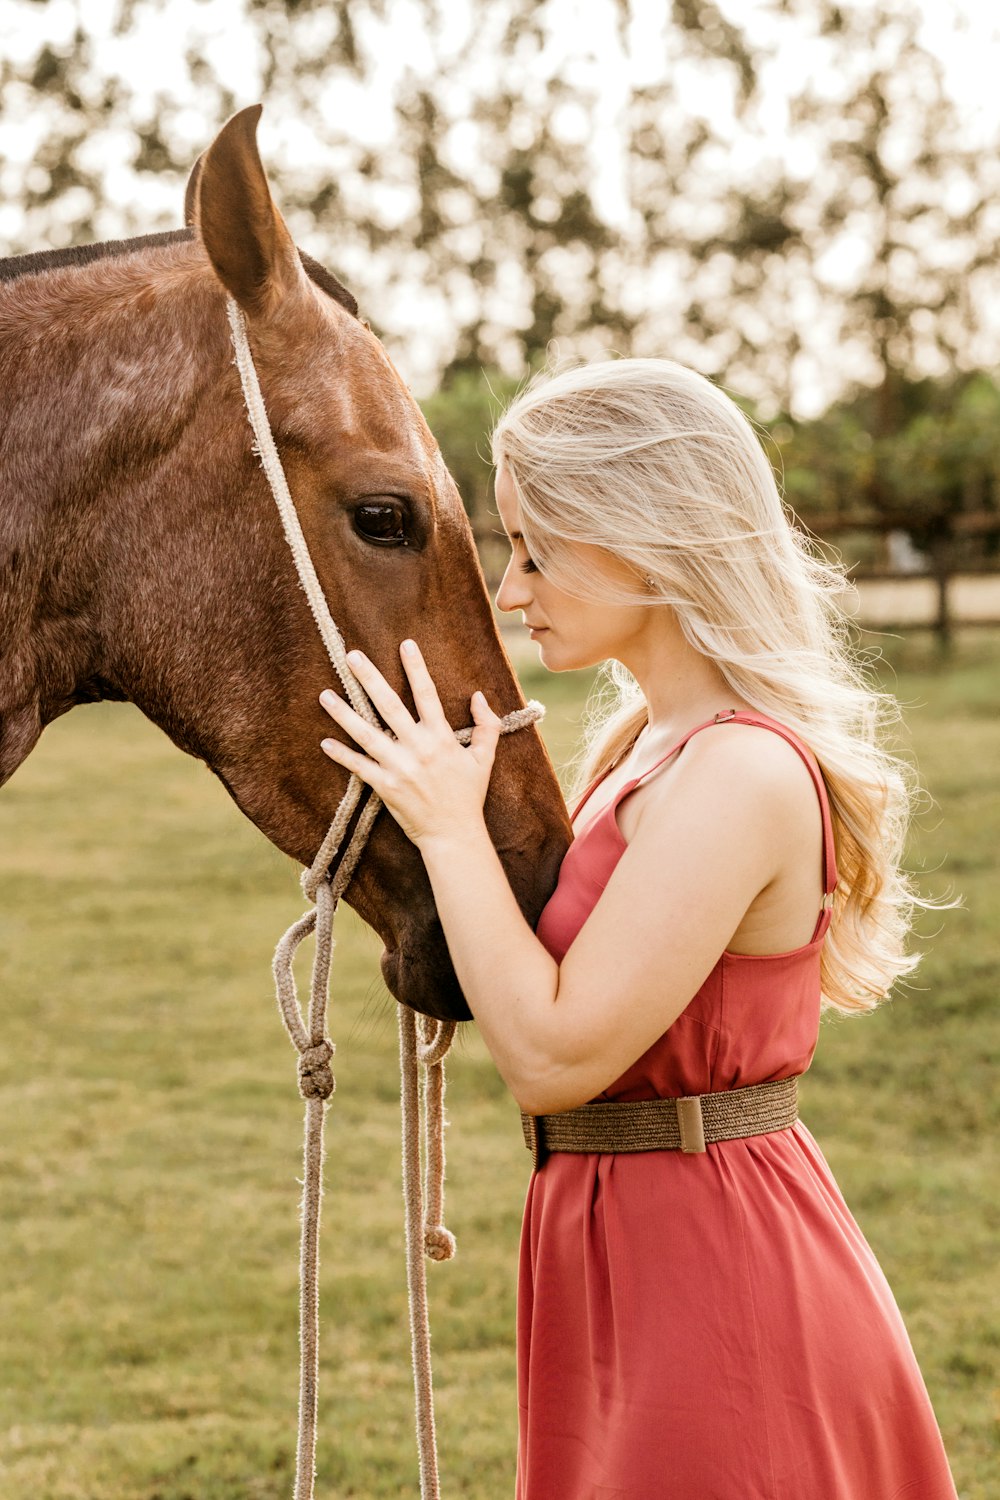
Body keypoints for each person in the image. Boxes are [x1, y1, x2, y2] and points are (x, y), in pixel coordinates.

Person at [317, 358, 957, 1499]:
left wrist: (452, 829)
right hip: (611, 1244)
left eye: (535, 550)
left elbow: (558, 1057)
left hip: (713, 1267)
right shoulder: (638, 752)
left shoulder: (742, 771)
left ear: (648, 536)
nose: (512, 593)